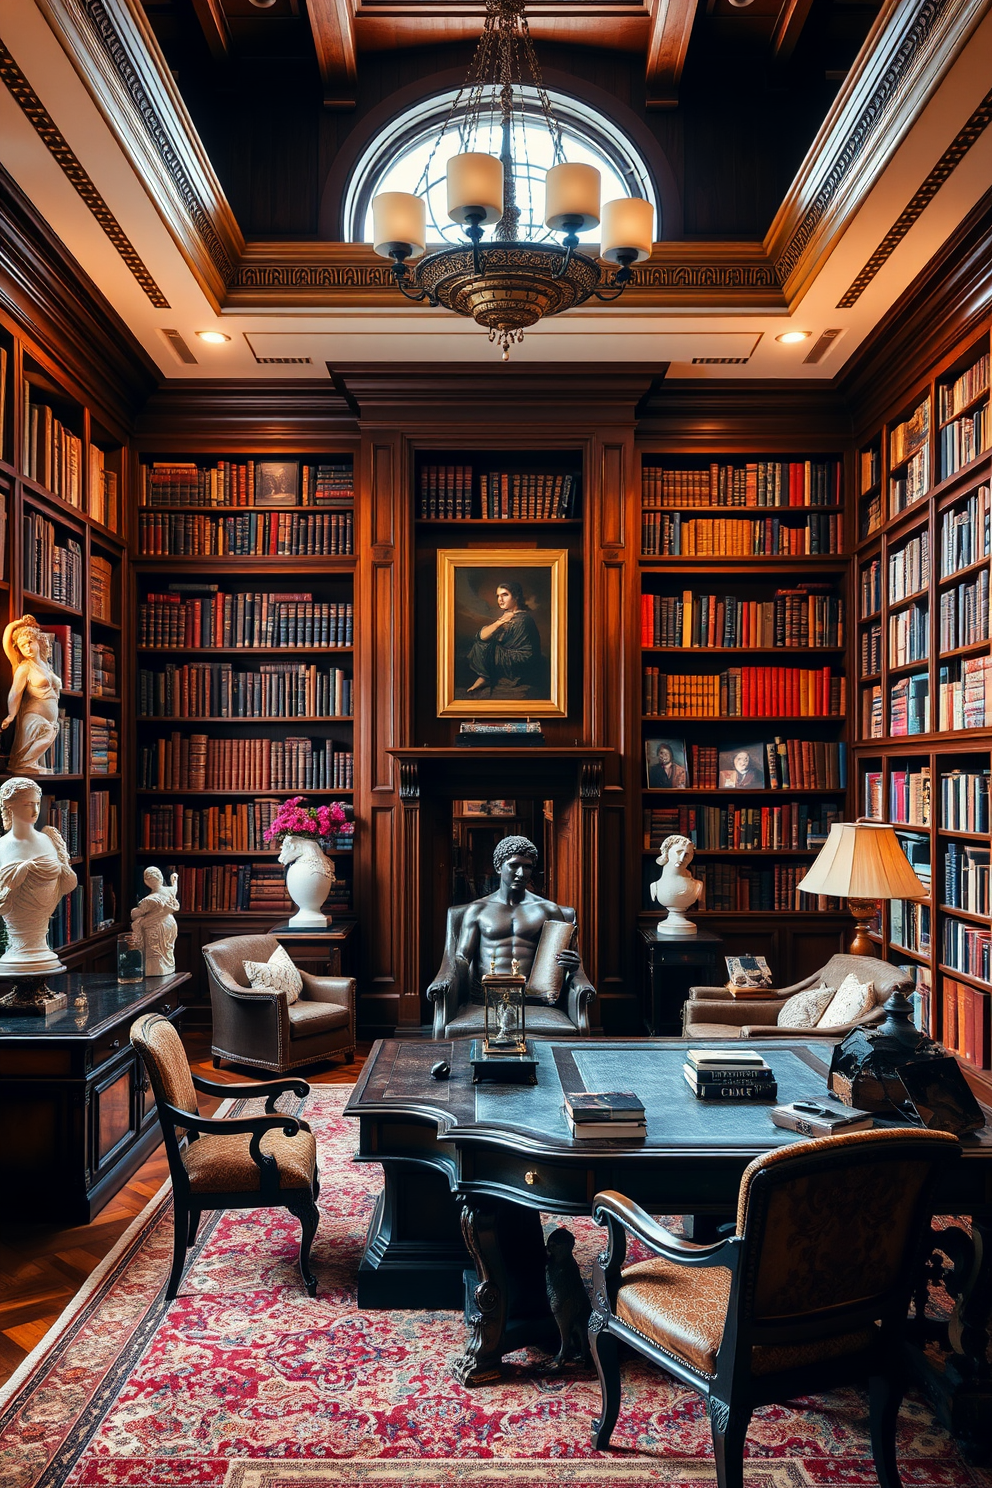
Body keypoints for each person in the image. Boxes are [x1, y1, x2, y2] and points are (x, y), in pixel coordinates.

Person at [443, 835, 580, 997]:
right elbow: (462, 957)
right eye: (514, 865)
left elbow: (564, 956)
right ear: (499, 867)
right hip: (488, 996)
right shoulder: (478, 910)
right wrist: (447, 978)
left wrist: (573, 964)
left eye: (527, 867)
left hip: (533, 995)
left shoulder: (548, 910)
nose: (521, 873)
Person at [0, 776, 78, 978]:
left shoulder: (48, 839)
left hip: (42, 944)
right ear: (10, 807)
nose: (35, 811)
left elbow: (69, 882)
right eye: (27, 804)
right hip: (17, 948)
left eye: (37, 804)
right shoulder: (2, 847)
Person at [2, 616, 61, 775]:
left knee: (49, 733)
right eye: (22, 645)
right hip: (33, 719)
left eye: (29, 642)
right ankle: (24, 763)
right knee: (25, 758)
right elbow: (15, 692)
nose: (27, 647)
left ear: (37, 642)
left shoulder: (46, 665)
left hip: (49, 721)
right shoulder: (22, 667)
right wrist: (11, 715)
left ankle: (29, 763)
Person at [465, 580, 542, 697]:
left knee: (487, 645)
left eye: (505, 595)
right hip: (508, 655)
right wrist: (500, 622)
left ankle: (484, 677)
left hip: (521, 659)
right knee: (484, 640)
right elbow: (481, 636)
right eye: (498, 596)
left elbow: (526, 652)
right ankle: (484, 677)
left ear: (516, 596)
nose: (500, 599)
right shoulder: (508, 616)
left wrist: (500, 624)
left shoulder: (523, 619)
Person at [131, 866, 181, 975]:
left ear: (146, 882)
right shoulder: (169, 891)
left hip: (156, 926)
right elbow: (175, 888)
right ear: (161, 878)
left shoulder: (149, 900)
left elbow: (136, 914)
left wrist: (134, 911)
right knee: (167, 949)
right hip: (170, 924)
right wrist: (174, 879)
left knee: (155, 951)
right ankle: (166, 967)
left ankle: (156, 971)